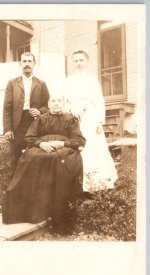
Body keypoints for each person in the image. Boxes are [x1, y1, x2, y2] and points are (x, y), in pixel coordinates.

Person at [2, 93, 86, 234]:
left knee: (60, 159)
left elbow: (80, 140)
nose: (56, 103)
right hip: (43, 148)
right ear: (48, 104)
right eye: (53, 101)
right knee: (31, 157)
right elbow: (29, 138)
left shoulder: (70, 119)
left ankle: (59, 218)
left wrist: (62, 143)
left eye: (59, 100)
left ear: (64, 104)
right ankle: (33, 212)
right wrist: (41, 144)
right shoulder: (41, 119)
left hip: (63, 150)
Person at [64, 49, 118, 197]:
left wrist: (100, 121)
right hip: (76, 118)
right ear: (73, 63)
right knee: (78, 145)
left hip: (91, 116)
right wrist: (71, 110)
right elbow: (65, 101)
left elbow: (99, 101)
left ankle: (99, 183)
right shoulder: (68, 81)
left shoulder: (92, 81)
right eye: (76, 60)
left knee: (93, 146)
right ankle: (78, 184)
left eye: (81, 60)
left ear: (86, 61)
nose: (79, 63)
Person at [3, 52, 50, 176]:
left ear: (34, 64)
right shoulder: (12, 83)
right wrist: (7, 129)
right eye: (24, 61)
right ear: (20, 64)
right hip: (17, 124)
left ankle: (33, 190)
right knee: (16, 158)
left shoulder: (41, 84)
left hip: (35, 123)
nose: (27, 64)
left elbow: (47, 106)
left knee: (34, 156)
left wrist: (40, 111)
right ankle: (15, 191)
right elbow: (7, 108)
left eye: (30, 61)